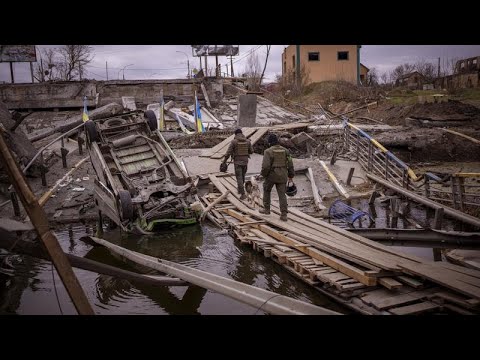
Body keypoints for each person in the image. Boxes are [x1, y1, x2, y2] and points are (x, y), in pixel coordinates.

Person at [259, 133, 294, 221]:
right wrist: (291, 175)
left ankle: (266, 209)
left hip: (271, 176)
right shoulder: (286, 151)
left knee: (266, 190)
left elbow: (266, 166)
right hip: (283, 176)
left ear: (270, 142)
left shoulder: (268, 151)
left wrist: (263, 175)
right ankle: (284, 214)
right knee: (282, 194)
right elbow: (290, 163)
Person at [222, 128, 253, 200]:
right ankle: (240, 189)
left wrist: (224, 162)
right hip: (245, 162)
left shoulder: (233, 142)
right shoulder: (248, 141)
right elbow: (252, 151)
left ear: (235, 134)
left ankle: (243, 194)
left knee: (239, 177)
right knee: (242, 176)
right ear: (242, 134)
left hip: (237, 162)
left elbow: (228, 153)